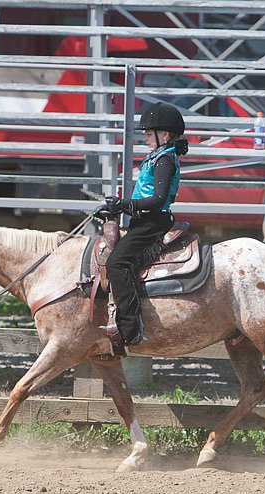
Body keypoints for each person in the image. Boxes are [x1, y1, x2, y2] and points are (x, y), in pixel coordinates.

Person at [103, 102, 188, 347]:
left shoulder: (165, 161)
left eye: (150, 134)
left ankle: (130, 329)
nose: (146, 138)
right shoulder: (157, 157)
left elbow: (158, 199)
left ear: (165, 135)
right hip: (145, 219)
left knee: (117, 264)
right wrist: (115, 207)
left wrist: (126, 205)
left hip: (154, 221)